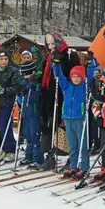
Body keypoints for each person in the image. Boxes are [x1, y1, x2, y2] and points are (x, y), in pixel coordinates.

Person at [38, 33, 81, 170]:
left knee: (64, 126)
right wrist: (36, 77)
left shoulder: (69, 54)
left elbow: (76, 73)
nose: (50, 47)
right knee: (48, 124)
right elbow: (43, 72)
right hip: (48, 95)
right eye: (48, 44)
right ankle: (49, 155)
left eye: (52, 44)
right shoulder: (48, 57)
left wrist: (60, 63)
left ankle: (71, 158)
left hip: (64, 94)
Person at [52, 58, 96, 179]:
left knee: (82, 144)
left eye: (78, 76)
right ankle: (73, 166)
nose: (76, 78)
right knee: (72, 145)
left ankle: (84, 167)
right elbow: (58, 76)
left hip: (79, 118)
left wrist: (90, 64)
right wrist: (56, 64)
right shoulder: (67, 86)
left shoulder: (84, 87)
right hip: (68, 118)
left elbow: (91, 77)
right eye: (74, 76)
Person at [0, 49, 23, 163]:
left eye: (6, 59)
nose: (4, 61)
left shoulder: (13, 71)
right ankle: (0, 148)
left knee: (4, 127)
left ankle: (10, 149)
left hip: (7, 103)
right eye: (1, 59)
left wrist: (4, 90)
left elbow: (17, 87)